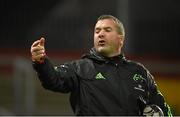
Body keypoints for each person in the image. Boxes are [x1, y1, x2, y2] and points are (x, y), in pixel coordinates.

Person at [30, 14, 172, 116]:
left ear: (120, 39)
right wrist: (41, 62)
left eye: (107, 30)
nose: (100, 34)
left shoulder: (139, 72)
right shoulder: (80, 68)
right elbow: (53, 80)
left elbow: (163, 109)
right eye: (97, 31)